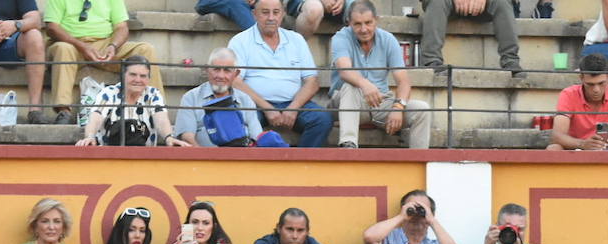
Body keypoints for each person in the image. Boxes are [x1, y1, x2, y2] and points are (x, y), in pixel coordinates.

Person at [228, 0, 333, 148]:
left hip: (293, 103)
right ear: (254, 14)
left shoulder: (296, 40)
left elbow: (312, 81)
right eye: (265, 12)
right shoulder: (240, 41)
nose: (271, 17)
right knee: (239, 120)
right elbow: (235, 81)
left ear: (283, 14)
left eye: (276, 12)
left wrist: (293, 108)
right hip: (255, 105)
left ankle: (301, 165)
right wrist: (268, 108)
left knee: (323, 119)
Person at [329, 0, 431, 149]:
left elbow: (403, 81)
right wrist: (365, 84)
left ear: (377, 20)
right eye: (357, 24)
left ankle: (419, 162)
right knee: (350, 87)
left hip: (381, 102)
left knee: (422, 109)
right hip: (345, 102)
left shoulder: (388, 39)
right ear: (349, 23)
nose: (364, 29)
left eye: (368, 23)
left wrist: (398, 107)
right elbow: (345, 72)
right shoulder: (341, 37)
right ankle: (348, 146)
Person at [45, 0, 161, 126]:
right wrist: (82, 46)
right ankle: (63, 111)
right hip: (71, 44)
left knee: (145, 49)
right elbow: (52, 28)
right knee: (62, 49)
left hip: (104, 43)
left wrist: (113, 46)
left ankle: (156, 109)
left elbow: (121, 27)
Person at [75, 55, 188, 147]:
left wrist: (169, 137)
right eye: (133, 75)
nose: (137, 80)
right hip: (109, 156)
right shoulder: (108, 93)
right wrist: (90, 136)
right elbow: (96, 117)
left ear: (148, 79)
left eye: (143, 76)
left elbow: (161, 119)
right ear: (123, 75)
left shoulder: (153, 94)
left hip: (144, 158)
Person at [174, 48, 265, 147]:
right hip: (203, 159)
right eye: (216, 69)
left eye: (227, 71)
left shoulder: (245, 100)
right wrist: (208, 160)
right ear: (207, 70)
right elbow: (187, 138)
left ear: (236, 74)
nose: (221, 76)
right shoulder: (191, 98)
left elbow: (257, 138)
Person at [546, 53, 608, 150]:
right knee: (553, 148)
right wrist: (582, 144)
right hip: (575, 149)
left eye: (601, 83)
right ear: (581, 78)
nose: (596, 89)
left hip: (607, 149)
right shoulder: (568, 94)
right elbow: (557, 136)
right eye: (590, 84)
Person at [419, 0, 524, 79]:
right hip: (446, 3)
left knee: (502, 3)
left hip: (483, 6)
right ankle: (432, 62)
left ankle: (511, 61)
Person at [362, 189, 460, 244]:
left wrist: (432, 220)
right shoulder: (386, 241)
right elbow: (370, 237)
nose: (416, 214)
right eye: (412, 209)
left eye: (422, 210)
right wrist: (402, 216)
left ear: (431, 214)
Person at [167, 200, 237, 244]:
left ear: (214, 227)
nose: (200, 228)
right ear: (187, 225)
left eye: (206, 223)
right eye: (195, 222)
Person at [15, 199, 84, 244]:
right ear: (35, 226)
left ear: (63, 227)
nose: (51, 227)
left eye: (57, 221)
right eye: (45, 221)